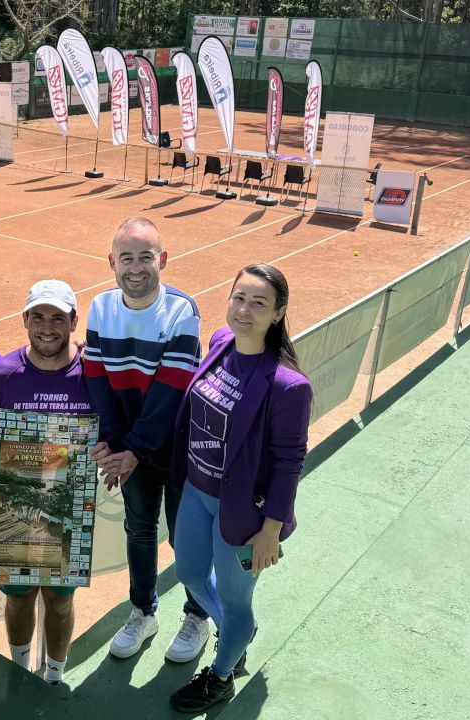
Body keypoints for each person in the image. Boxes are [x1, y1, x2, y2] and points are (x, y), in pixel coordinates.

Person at [166, 263, 312, 713]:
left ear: (278, 312)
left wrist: (270, 531)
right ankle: (237, 631)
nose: (244, 310)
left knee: (235, 598)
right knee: (190, 574)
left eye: (259, 303)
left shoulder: (288, 386)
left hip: (243, 513)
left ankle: (221, 676)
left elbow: (290, 463)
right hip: (194, 489)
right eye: (239, 297)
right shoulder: (220, 343)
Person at [0, 280, 110, 685]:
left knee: (60, 603)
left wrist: (107, 450)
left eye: (58, 318)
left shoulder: (94, 376)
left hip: (68, 515)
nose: (48, 327)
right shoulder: (2, 373)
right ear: (25, 320)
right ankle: (20, 664)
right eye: (38, 317)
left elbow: (111, 432)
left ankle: (55, 675)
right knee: (20, 596)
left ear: (73, 322)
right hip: (12, 510)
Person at [82, 216, 209, 663]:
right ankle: (143, 611)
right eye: (127, 258)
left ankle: (197, 614)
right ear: (112, 261)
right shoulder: (100, 307)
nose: (136, 268)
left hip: (174, 450)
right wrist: (114, 446)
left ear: (164, 259)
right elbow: (96, 379)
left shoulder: (182, 310)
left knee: (186, 538)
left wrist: (129, 450)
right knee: (138, 530)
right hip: (128, 451)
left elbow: (169, 392)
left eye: (146, 257)